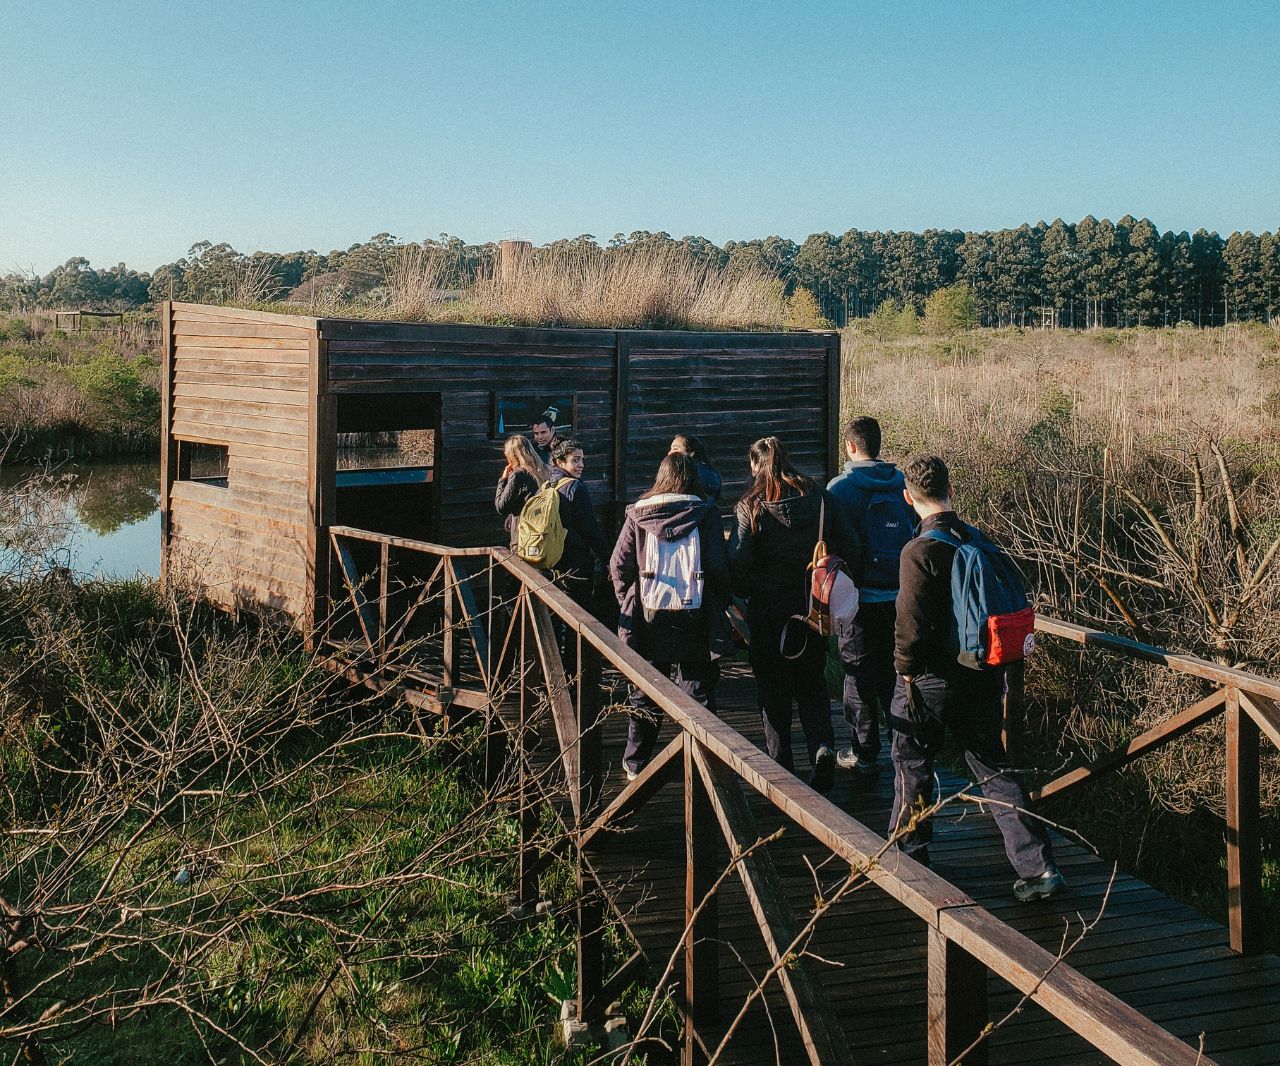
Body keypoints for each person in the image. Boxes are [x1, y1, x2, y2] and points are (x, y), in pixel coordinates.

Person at [889, 454, 1065, 901]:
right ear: (950, 490)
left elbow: (910, 625)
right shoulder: (977, 539)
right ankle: (1038, 868)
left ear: (909, 498)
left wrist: (903, 672)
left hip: (929, 682)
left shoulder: (919, 551)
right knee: (995, 768)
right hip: (982, 673)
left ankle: (910, 863)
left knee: (912, 767)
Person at [729, 436, 860, 793]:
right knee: (811, 685)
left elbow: (739, 565)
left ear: (756, 466)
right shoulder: (821, 500)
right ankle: (822, 748)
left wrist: (746, 589)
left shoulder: (750, 506)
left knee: (772, 690)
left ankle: (781, 765)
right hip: (811, 611)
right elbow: (850, 547)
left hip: (767, 613)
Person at [610, 452, 729, 779]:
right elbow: (718, 567)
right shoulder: (705, 513)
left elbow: (618, 565)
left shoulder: (639, 514)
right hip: (695, 615)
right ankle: (706, 762)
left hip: (649, 616)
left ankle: (635, 762)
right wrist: (719, 602)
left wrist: (629, 601)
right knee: (698, 692)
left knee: (645, 691)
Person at [826, 416, 916, 777]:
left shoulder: (840, 488)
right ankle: (903, 752)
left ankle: (864, 754)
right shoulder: (903, 486)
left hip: (858, 600)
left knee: (858, 676)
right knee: (897, 674)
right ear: (878, 444)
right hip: (900, 598)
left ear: (850, 446)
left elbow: (829, 545)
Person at [547, 437, 610, 612]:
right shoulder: (575, 487)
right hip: (575, 562)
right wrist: (607, 559)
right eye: (575, 460)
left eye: (582, 459)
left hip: (551, 560)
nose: (581, 464)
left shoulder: (546, 486)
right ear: (560, 462)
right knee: (581, 614)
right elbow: (590, 529)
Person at [494, 434, 548, 549]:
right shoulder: (544, 470)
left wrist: (503, 480)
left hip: (522, 537)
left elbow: (501, 507)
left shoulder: (518, 475)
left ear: (512, 455)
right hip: (543, 534)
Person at [670, 434, 722, 502]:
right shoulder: (709, 471)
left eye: (675, 449)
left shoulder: (704, 474)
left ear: (691, 453)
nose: (669, 453)